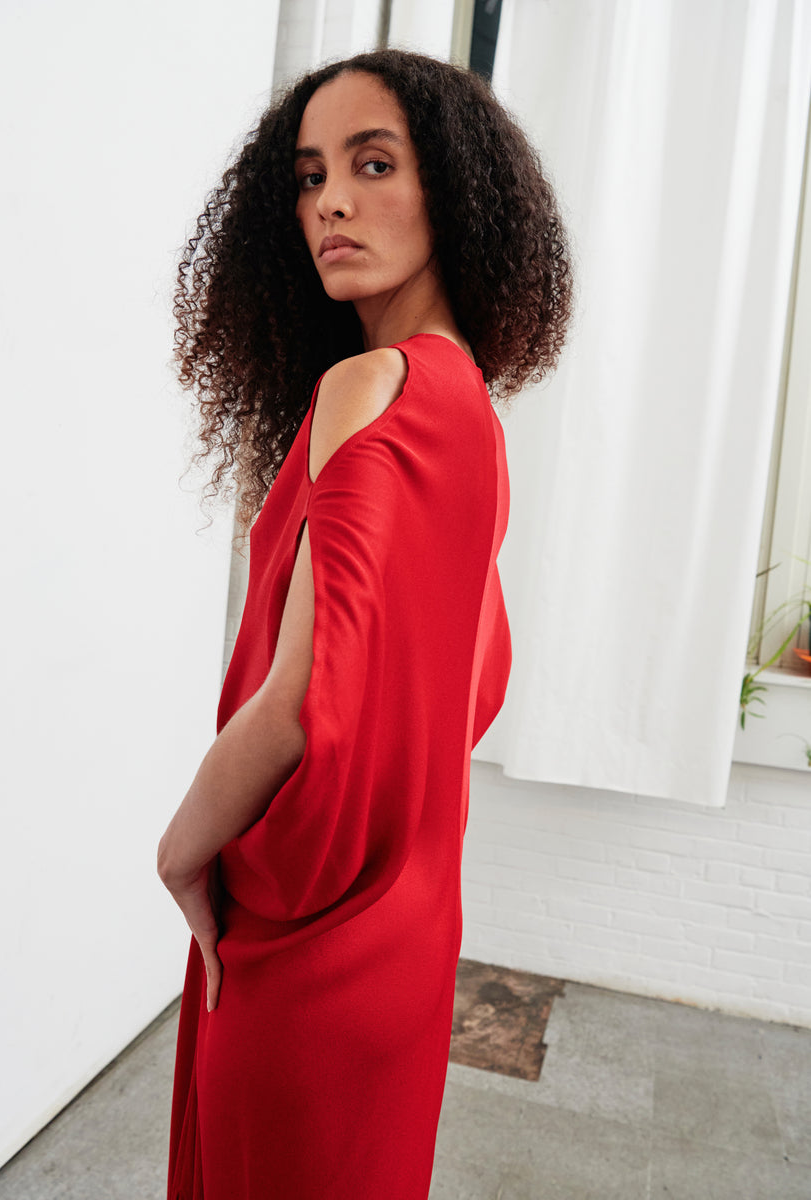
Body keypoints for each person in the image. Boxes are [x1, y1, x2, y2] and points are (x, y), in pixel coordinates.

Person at [157, 48, 571, 1200]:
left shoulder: (366, 387)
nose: (329, 201)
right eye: (307, 176)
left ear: (454, 190)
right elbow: (473, 681)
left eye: (372, 163)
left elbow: (298, 697)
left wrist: (180, 850)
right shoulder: (473, 414)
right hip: (411, 941)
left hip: (301, 948)